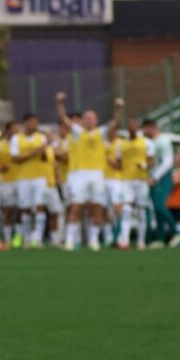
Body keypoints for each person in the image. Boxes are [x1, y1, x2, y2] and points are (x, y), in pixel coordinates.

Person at [56, 92, 123, 251]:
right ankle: (70, 240)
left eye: (92, 118)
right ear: (82, 120)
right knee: (76, 206)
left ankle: (94, 240)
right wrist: (60, 103)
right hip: (79, 174)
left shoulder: (100, 133)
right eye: (86, 118)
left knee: (97, 207)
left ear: (96, 120)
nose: (89, 120)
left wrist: (118, 108)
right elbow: (64, 118)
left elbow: (116, 122)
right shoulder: (78, 132)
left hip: (97, 174)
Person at [10, 113, 48, 248]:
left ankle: (37, 238)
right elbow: (15, 159)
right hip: (24, 178)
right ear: (25, 123)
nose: (35, 125)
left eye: (36, 122)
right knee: (24, 209)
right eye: (32, 122)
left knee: (40, 207)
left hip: (39, 177)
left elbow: (45, 158)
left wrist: (43, 152)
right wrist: (33, 152)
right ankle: (26, 238)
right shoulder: (16, 139)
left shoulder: (41, 138)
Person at [116, 118, 155, 250]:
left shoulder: (146, 142)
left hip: (141, 180)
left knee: (141, 210)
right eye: (130, 125)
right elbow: (118, 163)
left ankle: (141, 241)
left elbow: (152, 161)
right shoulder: (122, 144)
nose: (132, 127)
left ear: (138, 127)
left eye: (134, 125)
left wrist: (145, 165)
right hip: (127, 180)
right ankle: (124, 240)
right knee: (126, 210)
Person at [142, 119, 180, 248]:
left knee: (160, 206)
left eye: (145, 128)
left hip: (162, 178)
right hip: (153, 177)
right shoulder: (151, 142)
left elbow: (167, 162)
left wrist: (156, 176)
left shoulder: (163, 141)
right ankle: (160, 237)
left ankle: (175, 232)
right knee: (156, 209)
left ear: (151, 127)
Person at [0, 120, 21, 248]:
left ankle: (18, 237)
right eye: (14, 128)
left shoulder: (19, 143)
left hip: (19, 180)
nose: (17, 131)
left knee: (20, 211)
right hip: (6, 181)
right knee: (7, 210)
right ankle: (6, 238)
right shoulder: (0, 145)